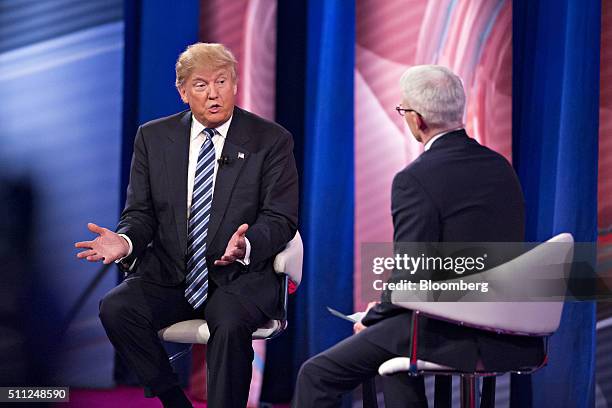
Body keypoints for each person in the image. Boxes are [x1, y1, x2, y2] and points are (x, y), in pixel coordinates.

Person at [292, 65, 544, 407]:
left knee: (316, 374)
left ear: (417, 119)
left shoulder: (415, 178)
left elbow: (411, 274)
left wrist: (373, 317)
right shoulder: (502, 168)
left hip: (447, 330)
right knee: (390, 363)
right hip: (508, 332)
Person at [75, 43, 299, 408]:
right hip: (171, 275)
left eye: (222, 82)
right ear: (182, 92)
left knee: (227, 323)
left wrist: (247, 245)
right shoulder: (154, 138)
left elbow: (281, 217)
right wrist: (127, 241)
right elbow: (141, 213)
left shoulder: (270, 140)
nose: (213, 94)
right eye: (200, 85)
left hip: (239, 279)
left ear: (235, 84)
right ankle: (172, 399)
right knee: (117, 308)